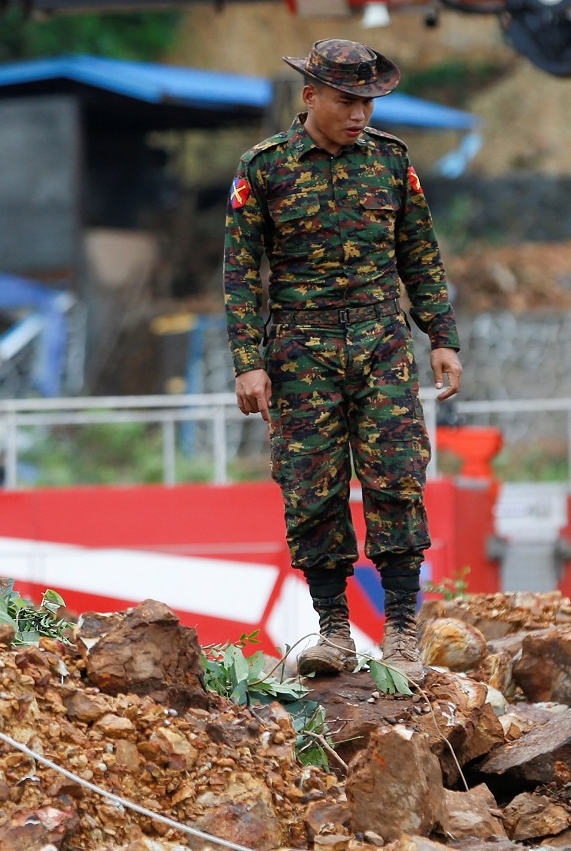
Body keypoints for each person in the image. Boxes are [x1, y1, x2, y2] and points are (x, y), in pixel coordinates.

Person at [223, 39, 463, 676]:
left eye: (368, 102)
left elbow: (421, 255)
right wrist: (248, 361)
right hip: (300, 350)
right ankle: (333, 630)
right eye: (346, 100)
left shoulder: (390, 161)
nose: (359, 114)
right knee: (312, 488)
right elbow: (242, 272)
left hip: (382, 342)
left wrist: (442, 337)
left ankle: (404, 631)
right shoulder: (265, 167)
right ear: (311, 97)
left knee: (396, 477)